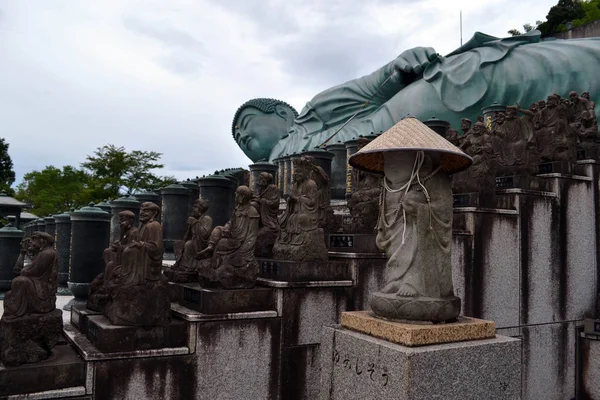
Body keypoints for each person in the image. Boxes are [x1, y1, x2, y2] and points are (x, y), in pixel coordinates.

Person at [231, 31, 600, 162]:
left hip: (417, 107)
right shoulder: (272, 173)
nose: (244, 138)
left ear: (281, 113)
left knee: (506, 72)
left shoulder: (312, 114)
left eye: (246, 126)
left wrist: (400, 67)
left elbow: (370, 87)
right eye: (238, 140)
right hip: (406, 155)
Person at [348, 117, 471, 322]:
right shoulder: (389, 186)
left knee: (414, 238)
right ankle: (396, 279)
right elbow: (385, 217)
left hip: (421, 236)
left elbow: (443, 213)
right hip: (398, 238)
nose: (391, 165)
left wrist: (421, 210)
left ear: (418, 158)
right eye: (389, 160)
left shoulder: (435, 179)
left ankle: (415, 283)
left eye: (399, 159)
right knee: (394, 260)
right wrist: (383, 230)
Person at [3, 232, 57, 318]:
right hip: (36, 285)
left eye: (34, 240)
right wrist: (23, 252)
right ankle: (13, 310)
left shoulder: (47, 254)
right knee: (9, 294)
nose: (30, 242)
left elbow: (32, 271)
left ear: (43, 242)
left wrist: (24, 270)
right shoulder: (41, 253)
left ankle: (16, 311)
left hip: (42, 292)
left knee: (19, 281)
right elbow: (18, 270)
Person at [173, 199, 212, 270]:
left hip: (201, 245)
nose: (193, 209)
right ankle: (180, 263)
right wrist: (189, 226)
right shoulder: (194, 219)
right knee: (178, 243)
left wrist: (194, 223)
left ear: (200, 209)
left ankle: (187, 266)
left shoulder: (207, 218)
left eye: (195, 207)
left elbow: (205, 234)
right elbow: (187, 236)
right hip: (194, 241)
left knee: (188, 244)